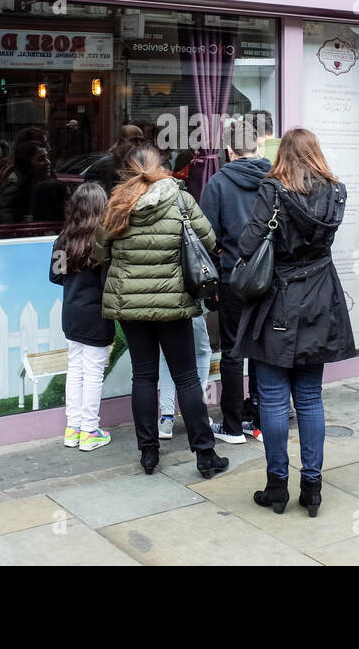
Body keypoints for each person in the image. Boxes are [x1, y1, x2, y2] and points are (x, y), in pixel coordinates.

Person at [236, 128, 355, 516]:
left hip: (278, 298)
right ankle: (313, 487)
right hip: (320, 295)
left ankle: (276, 486)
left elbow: (249, 245)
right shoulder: (336, 191)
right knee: (309, 397)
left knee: (271, 398)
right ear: (316, 153)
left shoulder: (273, 190)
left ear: (282, 154)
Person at [94, 143, 229, 478]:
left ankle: (149, 454)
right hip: (174, 304)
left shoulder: (117, 205)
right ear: (161, 166)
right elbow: (210, 241)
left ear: (127, 170)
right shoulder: (181, 199)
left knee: (143, 376)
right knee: (186, 377)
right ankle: (204, 454)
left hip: (131, 304)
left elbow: (99, 253)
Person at [198, 119, 269, 443]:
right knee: (264, 349)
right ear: (257, 146)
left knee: (231, 351)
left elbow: (207, 236)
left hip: (232, 277)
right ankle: (260, 417)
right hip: (269, 275)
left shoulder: (217, 183)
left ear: (228, 150)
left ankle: (231, 424)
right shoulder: (274, 179)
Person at [49, 182, 113, 452]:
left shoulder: (63, 240)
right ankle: (89, 431)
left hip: (71, 315)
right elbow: (107, 282)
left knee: (75, 370)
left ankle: (72, 429)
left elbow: (56, 276)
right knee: (94, 373)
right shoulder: (101, 240)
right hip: (97, 315)